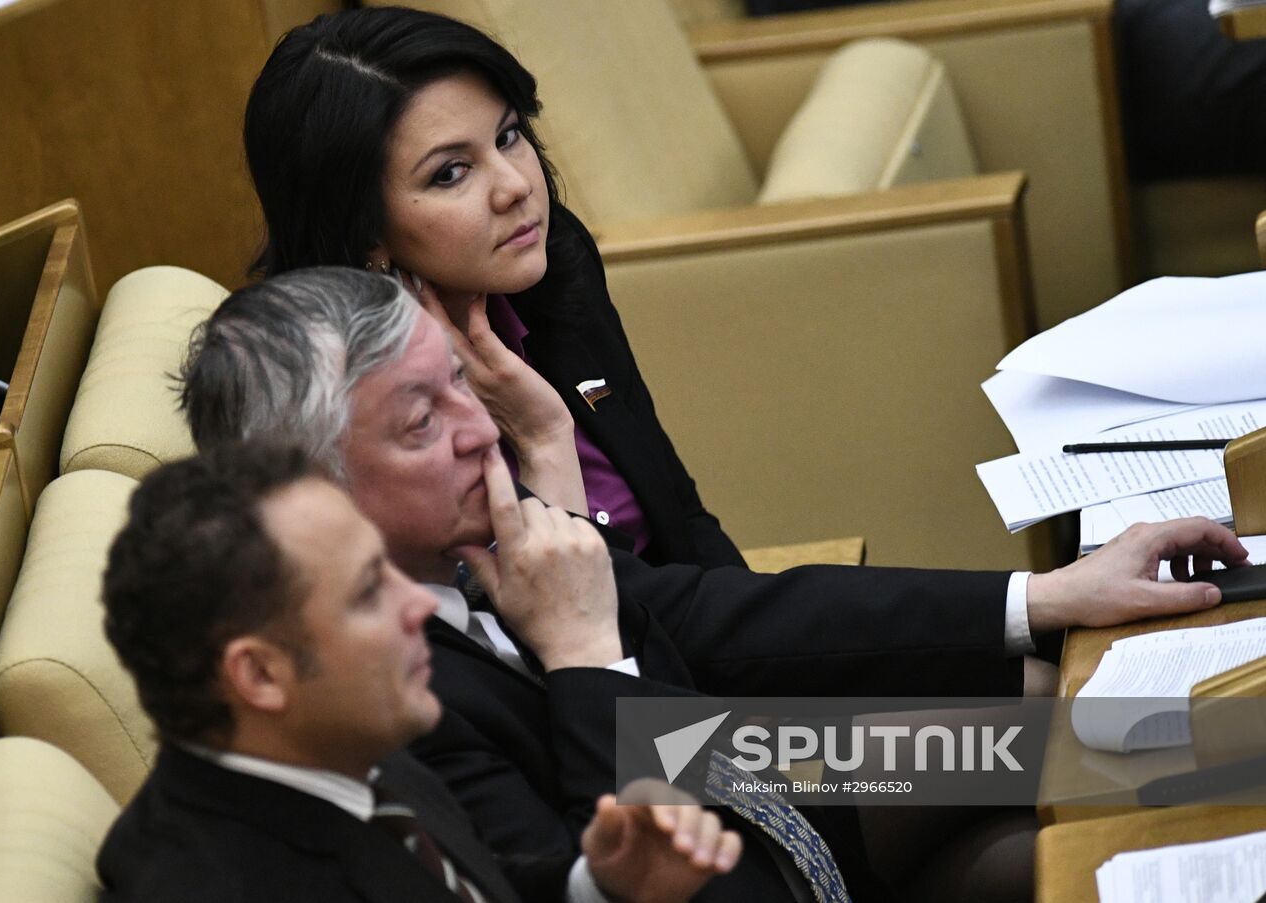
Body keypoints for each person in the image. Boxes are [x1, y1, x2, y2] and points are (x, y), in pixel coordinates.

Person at [180, 266, 1250, 902]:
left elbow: (717, 612)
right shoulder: (380, 699)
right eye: (421, 424)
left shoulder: (486, 549)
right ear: (305, 492)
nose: (475, 434)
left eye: (461, 385)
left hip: (771, 771)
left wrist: (1043, 599)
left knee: (1153, 731)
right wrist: (586, 658)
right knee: (1098, 851)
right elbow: (625, 877)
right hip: (740, 858)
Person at [96, 441, 743, 903]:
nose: (418, 605)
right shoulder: (224, 882)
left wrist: (595, 886)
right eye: (369, 591)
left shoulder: (339, 752)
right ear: (260, 675)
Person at [243, 5, 745, 568]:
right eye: (451, 173)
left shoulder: (551, 264)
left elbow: (681, 511)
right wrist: (542, 438)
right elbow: (542, 631)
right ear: (362, 231)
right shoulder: (360, 407)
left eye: (507, 136)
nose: (514, 187)